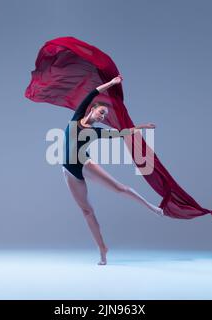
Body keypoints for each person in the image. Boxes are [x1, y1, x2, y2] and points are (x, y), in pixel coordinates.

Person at [62, 74, 164, 266]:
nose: (101, 117)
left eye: (104, 116)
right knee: (87, 211)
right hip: (69, 171)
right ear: (92, 110)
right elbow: (92, 93)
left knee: (119, 188)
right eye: (100, 112)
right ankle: (102, 248)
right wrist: (112, 83)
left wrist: (141, 127)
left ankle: (153, 208)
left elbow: (121, 133)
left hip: (84, 164)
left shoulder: (96, 132)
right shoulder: (76, 117)